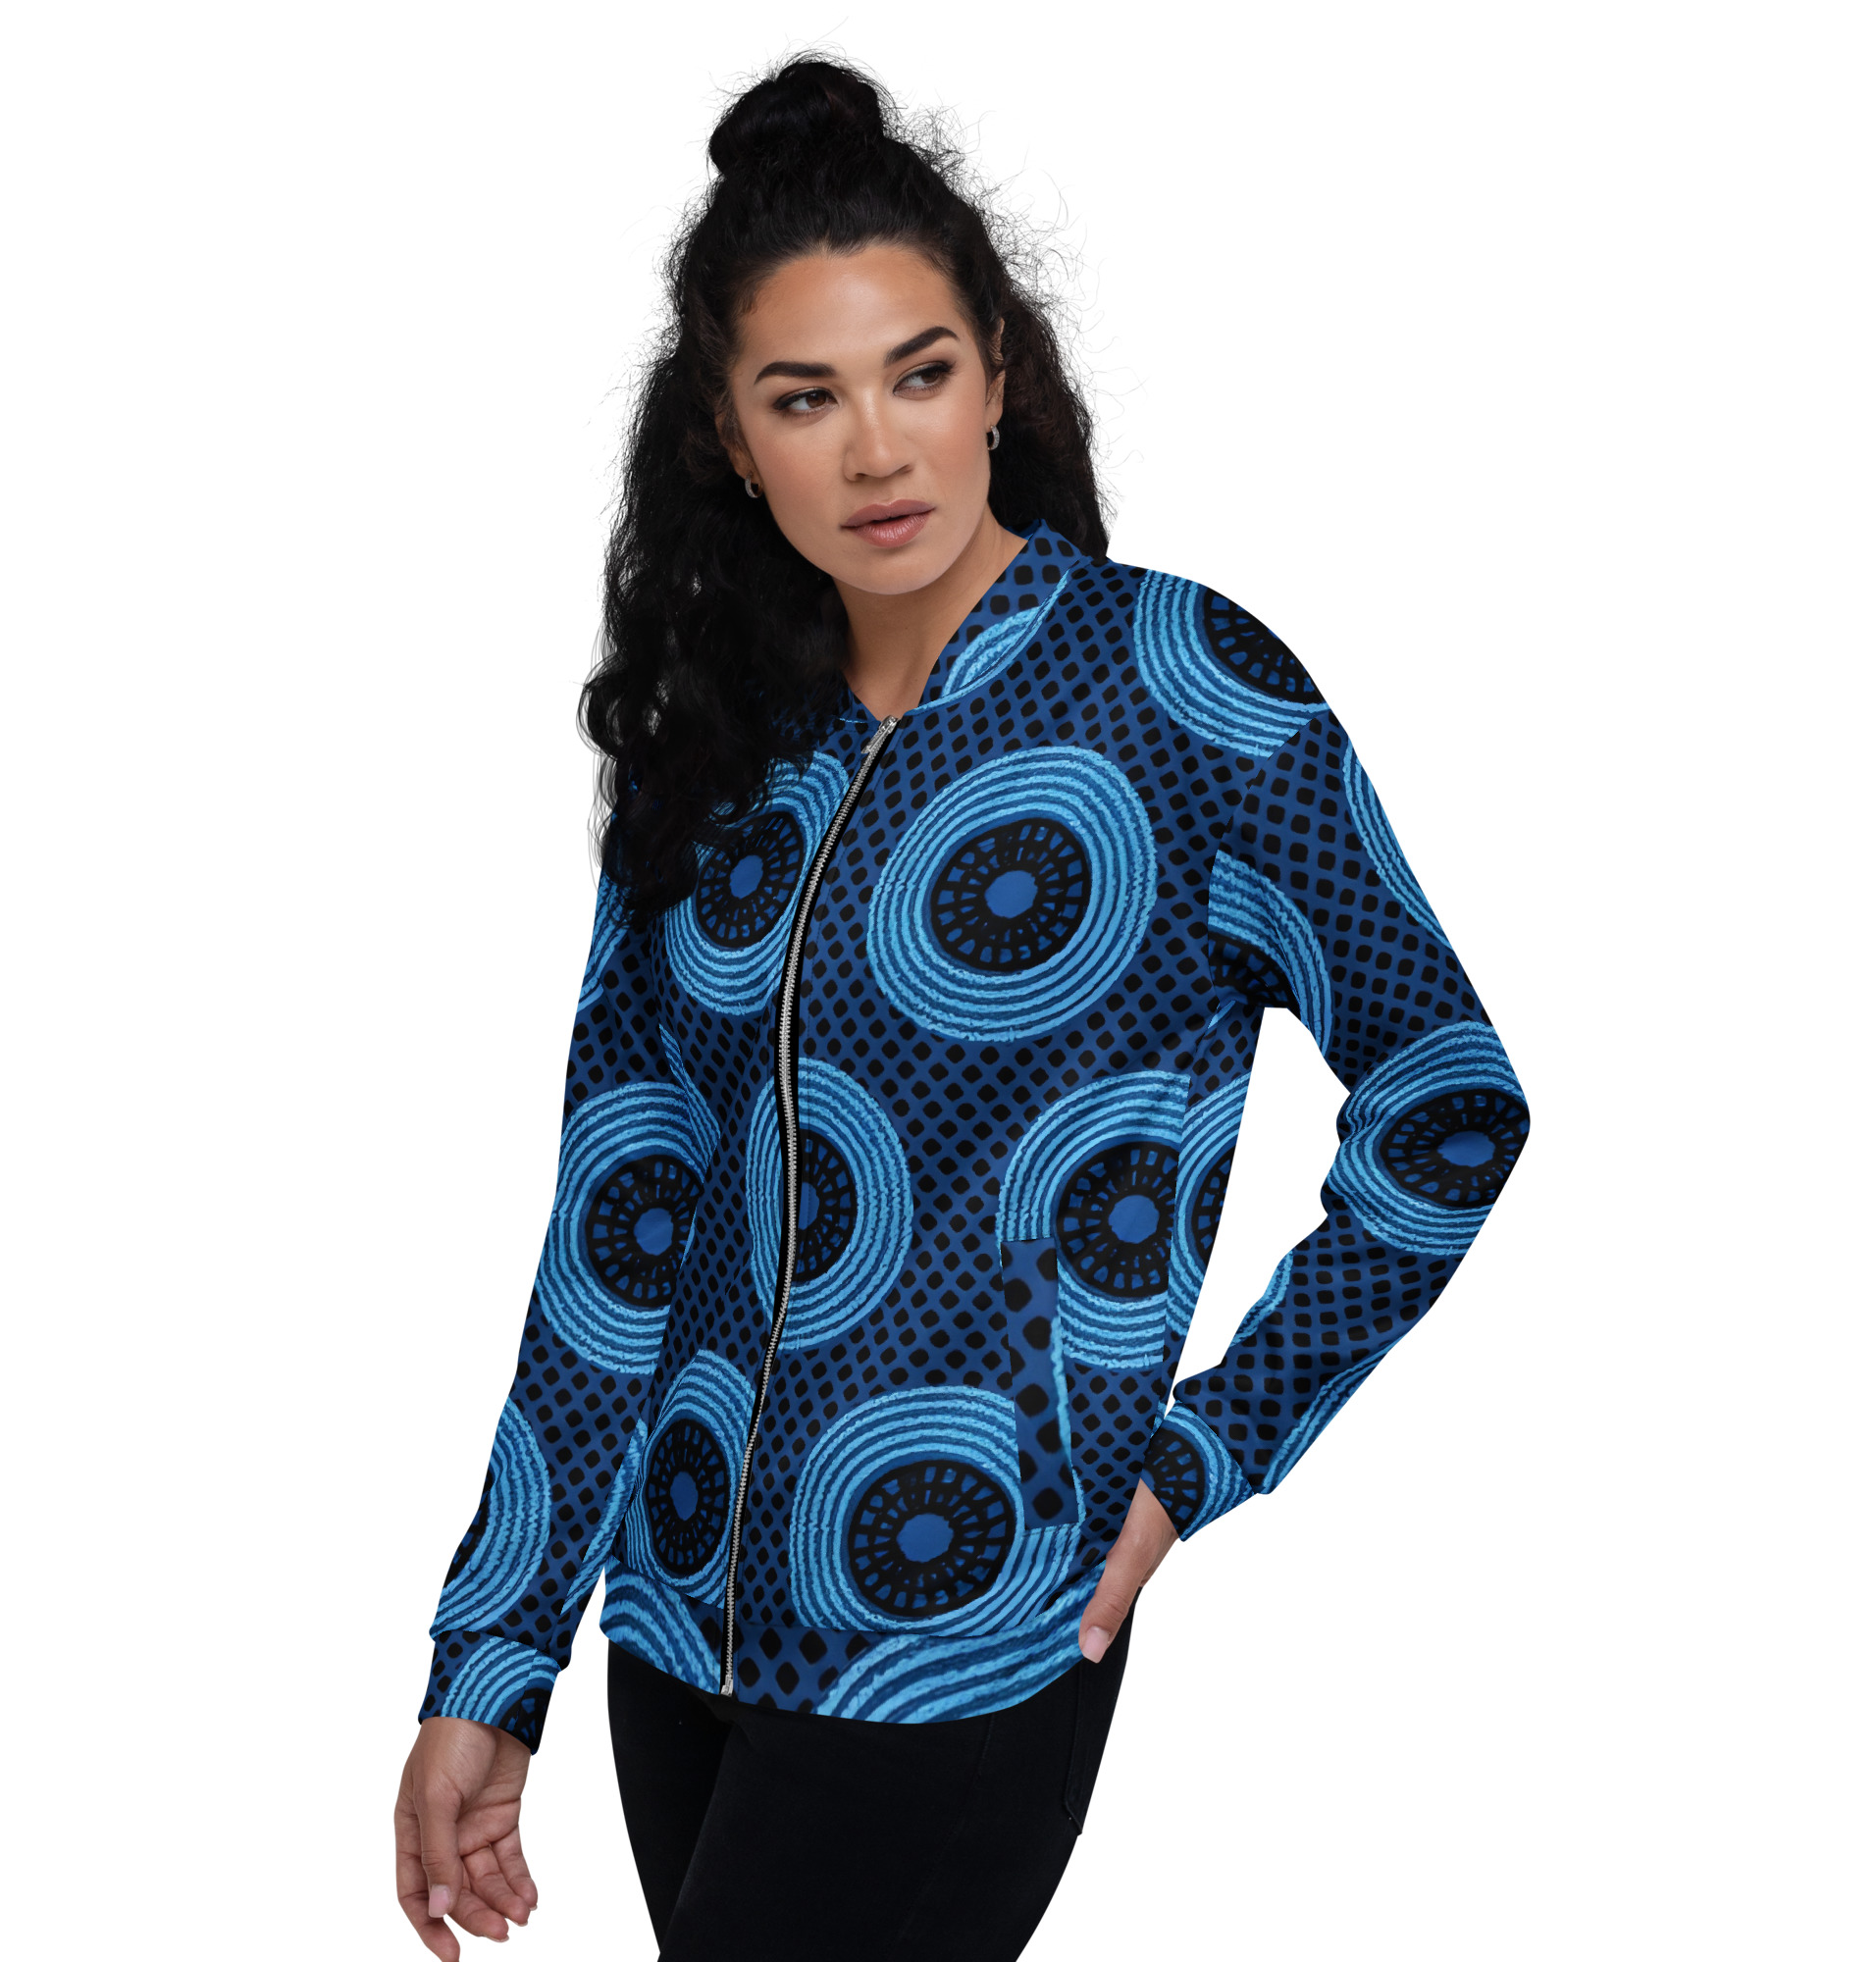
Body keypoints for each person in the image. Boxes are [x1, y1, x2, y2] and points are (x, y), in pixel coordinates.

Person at [393, 55, 1530, 1962]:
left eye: (917, 373)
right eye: (804, 397)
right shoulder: (714, 740)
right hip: (677, 1626)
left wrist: (1193, 1460)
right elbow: (623, 1218)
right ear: (728, 440)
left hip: (965, 1630)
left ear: (998, 373)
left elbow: (1448, 1102)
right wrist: (494, 1653)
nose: (875, 450)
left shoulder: (1182, 694)